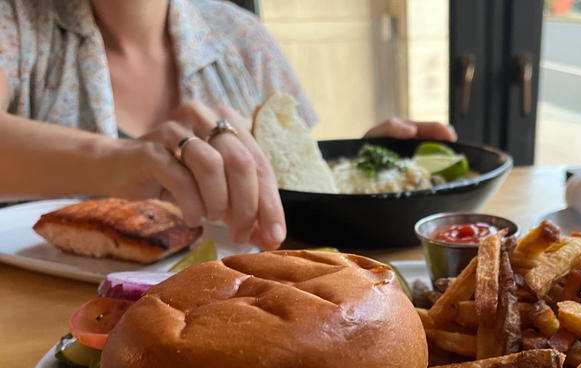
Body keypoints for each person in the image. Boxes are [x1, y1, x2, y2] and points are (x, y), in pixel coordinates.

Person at [0, 0, 457, 248]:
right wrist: (121, 159)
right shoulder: (15, 24)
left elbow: (289, 177)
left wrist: (362, 172)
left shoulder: (241, 35)